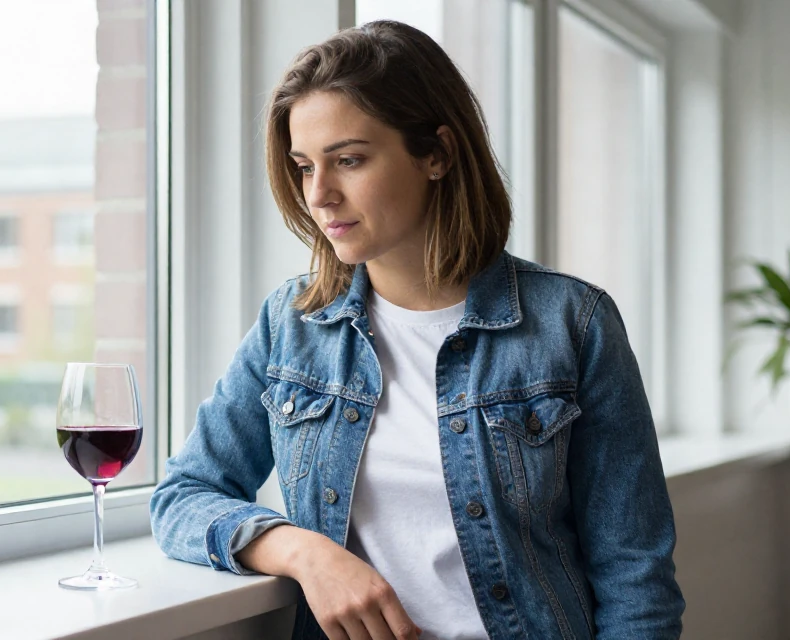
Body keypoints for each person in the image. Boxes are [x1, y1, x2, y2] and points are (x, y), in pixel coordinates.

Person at [149, 20, 684, 640]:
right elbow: (183, 496)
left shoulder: (573, 324)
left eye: (348, 160)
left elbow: (635, 575)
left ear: (436, 154)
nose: (319, 194)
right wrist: (305, 553)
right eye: (303, 166)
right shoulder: (291, 327)